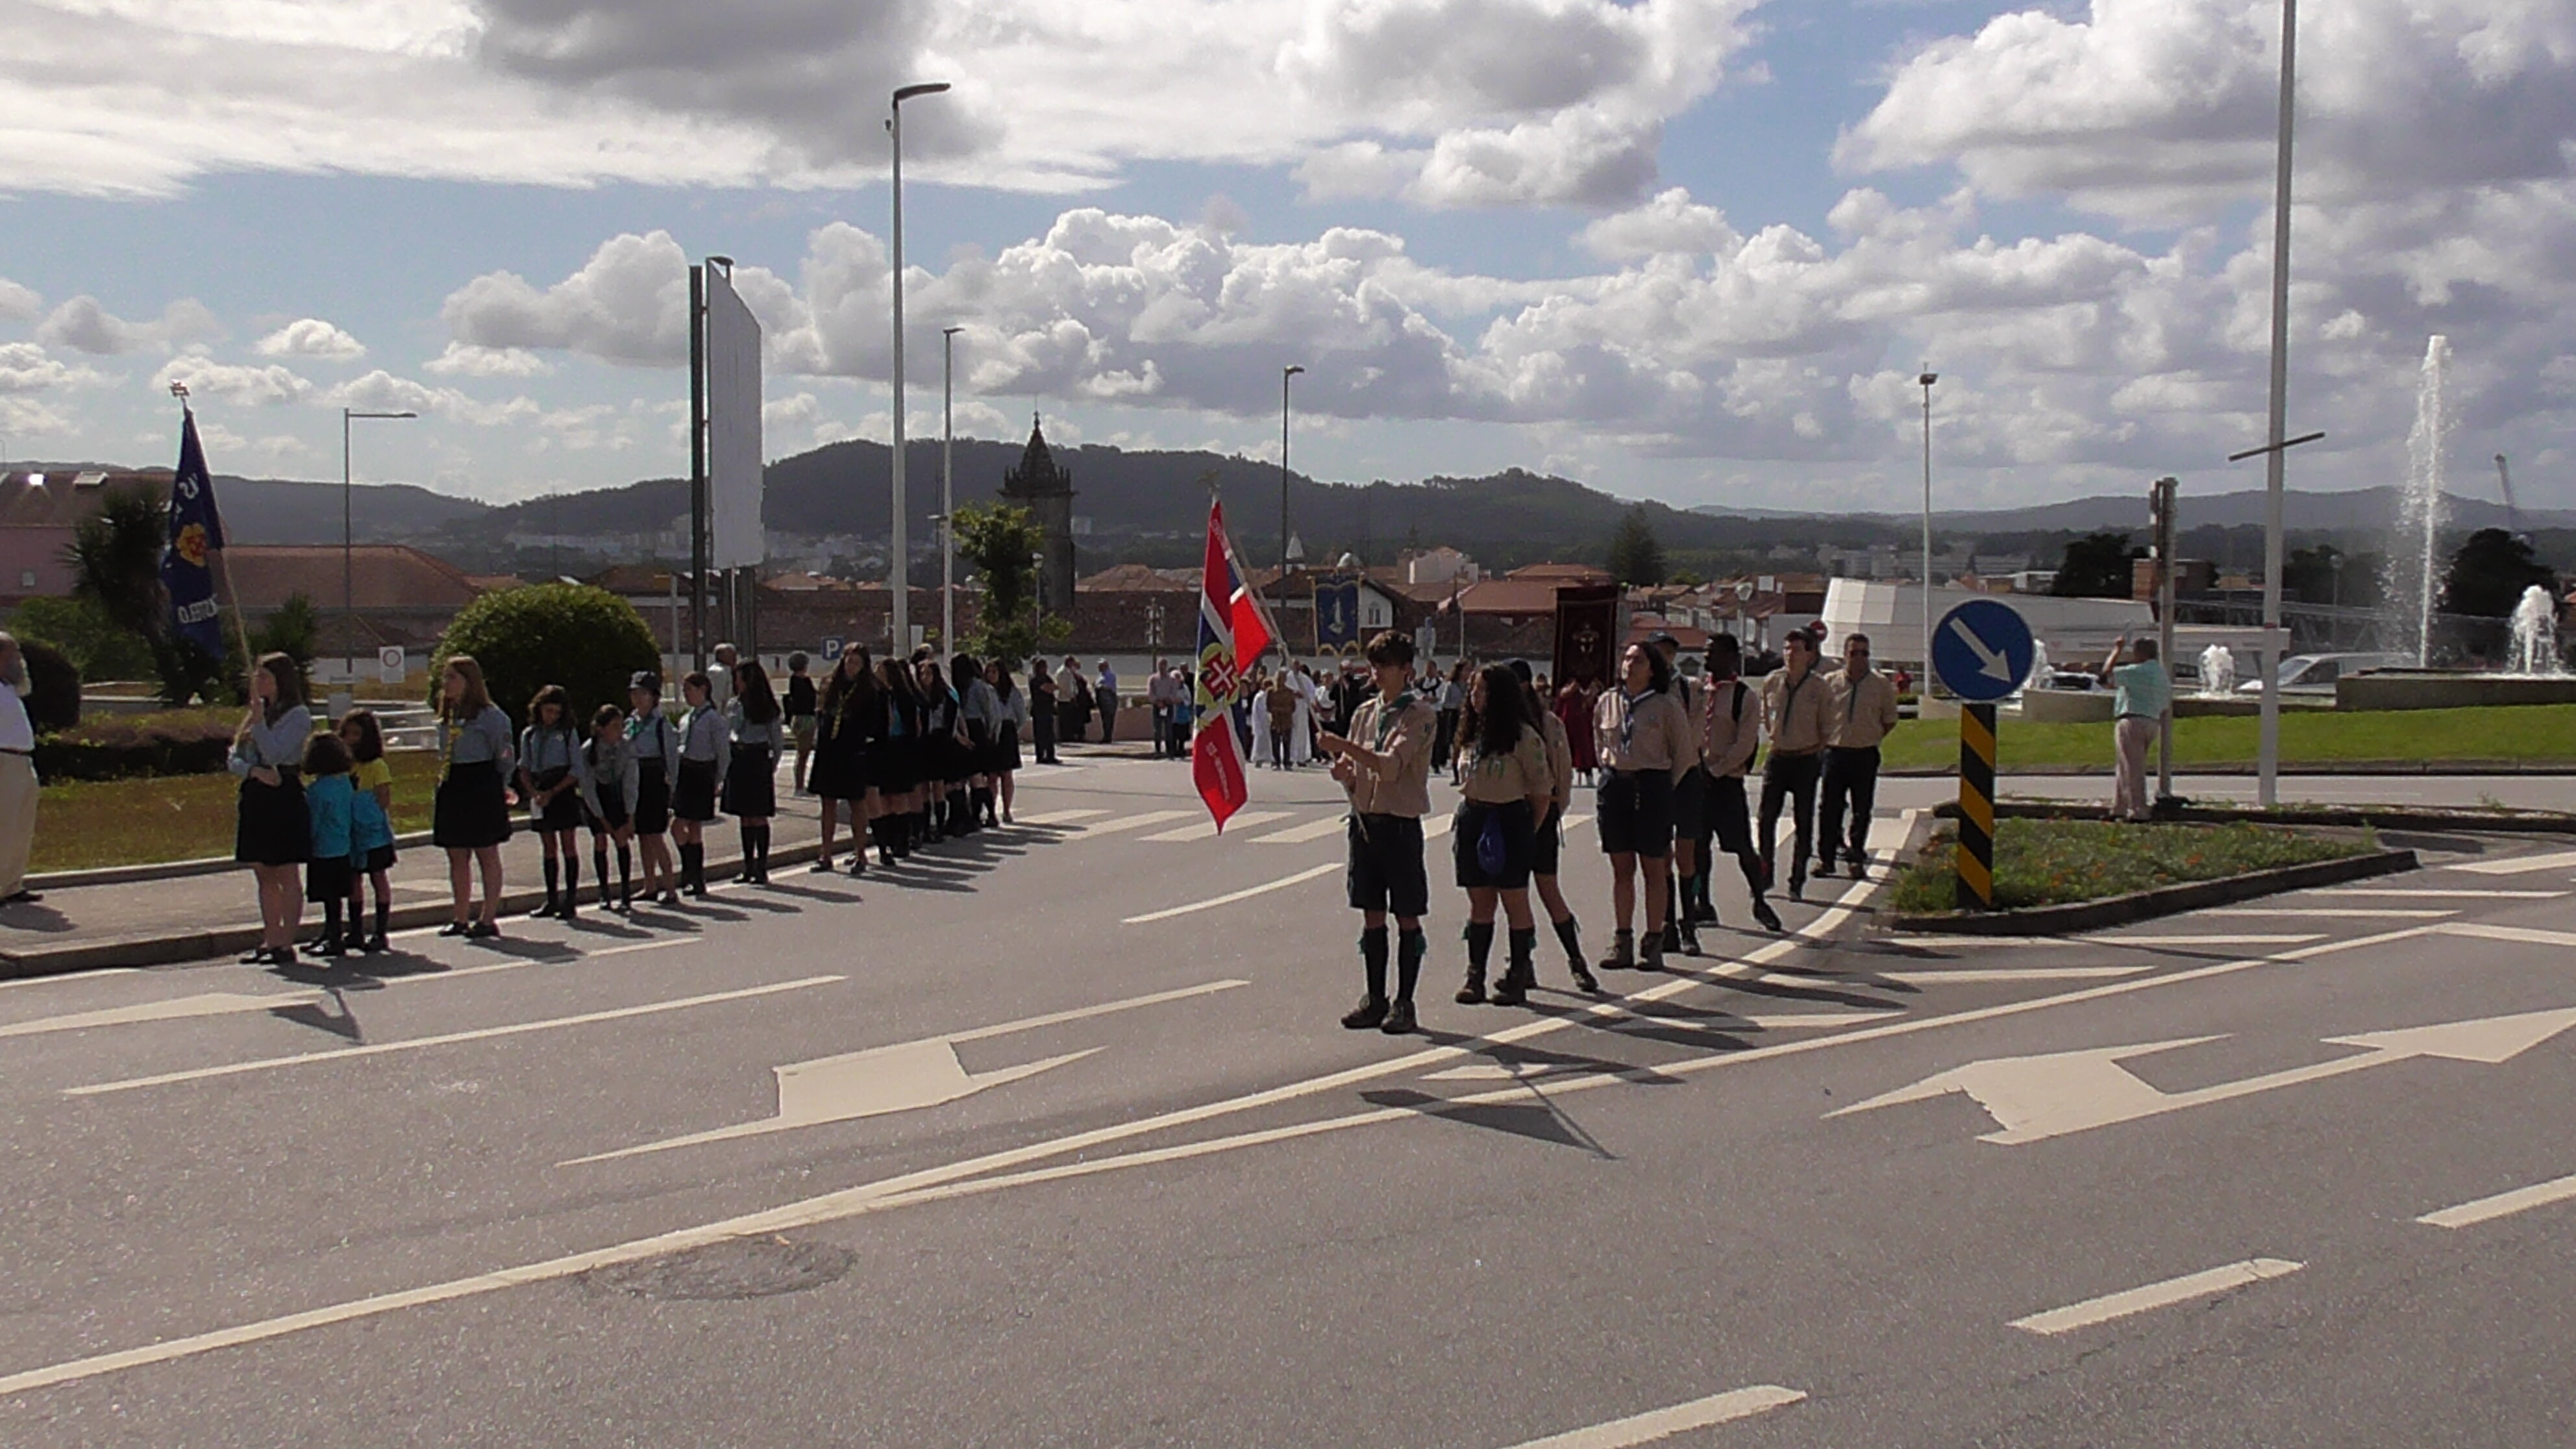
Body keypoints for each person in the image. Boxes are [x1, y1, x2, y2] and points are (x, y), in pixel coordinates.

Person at [1318, 630, 1437, 1035]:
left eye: (1385, 666)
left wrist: (1345, 747)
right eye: (1374, 665)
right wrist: (1344, 773)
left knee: (1406, 914)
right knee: (1371, 913)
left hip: (1400, 824)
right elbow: (1358, 775)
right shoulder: (1365, 713)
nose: (1377, 673)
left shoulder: (1419, 715)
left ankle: (1405, 1001)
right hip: (1366, 821)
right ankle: (1375, 997)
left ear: (1406, 670)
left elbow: (1390, 765)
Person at [1450, 663, 1555, 1008]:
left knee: (1514, 900)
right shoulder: (1471, 734)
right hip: (1473, 816)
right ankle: (1475, 975)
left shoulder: (1524, 737)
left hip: (1509, 817)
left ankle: (1518, 974)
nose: (1474, 696)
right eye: (1473, 690)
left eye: (1482, 690)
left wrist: (1526, 831)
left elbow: (1542, 791)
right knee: (1480, 902)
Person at [1593, 642, 1692, 971]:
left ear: (1652, 669)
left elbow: (1683, 755)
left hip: (1652, 785)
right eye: (1627, 658)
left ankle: (1654, 941)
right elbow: (1600, 744)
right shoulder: (1608, 701)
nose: (1629, 664)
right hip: (1615, 785)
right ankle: (1622, 940)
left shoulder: (1666, 705)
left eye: (1638, 660)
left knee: (1654, 866)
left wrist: (1661, 788)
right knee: (1621, 867)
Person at [1513, 661, 1597, 993]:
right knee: (1515, 896)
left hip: (1540, 811)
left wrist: (1552, 812)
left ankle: (1577, 960)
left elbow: (1562, 773)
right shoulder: (1502, 721)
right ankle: (1522, 963)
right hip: (1509, 812)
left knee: (1548, 890)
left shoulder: (1548, 723)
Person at [1696, 634, 1782, 933]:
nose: (1706, 658)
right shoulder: (1698, 692)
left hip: (1726, 784)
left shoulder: (1744, 697)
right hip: (1698, 782)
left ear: (1731, 657)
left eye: (1713, 652)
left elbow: (1745, 744)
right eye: (1705, 652)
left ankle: (1759, 898)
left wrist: (1717, 771)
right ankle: (1703, 903)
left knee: (1742, 846)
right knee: (1698, 848)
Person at [232, 652, 312, 964]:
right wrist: (251, 771)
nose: (258, 682)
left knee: (286, 870)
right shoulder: (257, 713)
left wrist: (260, 723)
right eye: (257, 676)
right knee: (262, 870)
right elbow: (234, 756)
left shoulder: (298, 716)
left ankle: (286, 942)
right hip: (256, 793)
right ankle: (271, 937)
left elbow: (276, 752)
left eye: (264, 677)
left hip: (283, 794)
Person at [434, 655, 514, 939]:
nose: (446, 684)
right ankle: (460, 916)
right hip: (454, 783)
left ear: (469, 682)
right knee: (456, 854)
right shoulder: (448, 716)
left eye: (452, 678)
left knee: (486, 852)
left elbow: (504, 755)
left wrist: (501, 785)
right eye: (445, 677)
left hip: (481, 783)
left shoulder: (491, 717)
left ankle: (488, 917)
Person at [1757, 628, 1833, 903]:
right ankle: (1765, 873)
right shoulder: (1772, 682)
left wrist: (1813, 749)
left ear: (1809, 654)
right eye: (1787, 648)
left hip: (1805, 758)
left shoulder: (1819, 687)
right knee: (1766, 819)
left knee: (1804, 820)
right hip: (1778, 756)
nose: (1790, 654)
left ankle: (1797, 879)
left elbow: (1827, 727)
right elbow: (1767, 718)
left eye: (1797, 649)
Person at [1818, 632, 1901, 878]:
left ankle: (1856, 858)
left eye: (1864, 653)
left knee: (1861, 809)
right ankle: (1826, 859)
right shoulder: (1830, 682)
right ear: (1845, 655)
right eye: (1854, 653)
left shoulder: (1880, 684)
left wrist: (1872, 735)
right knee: (1829, 809)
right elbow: (1819, 716)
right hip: (1835, 753)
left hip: (1865, 754)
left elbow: (1889, 719)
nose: (1859, 658)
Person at [1649, 632, 1709, 956]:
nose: (1663, 658)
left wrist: (1676, 770)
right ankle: (1667, 923)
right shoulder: (1644, 691)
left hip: (1686, 775)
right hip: (1655, 777)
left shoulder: (1690, 688)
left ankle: (1689, 924)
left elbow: (1694, 735)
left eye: (1667, 652)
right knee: (1660, 857)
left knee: (1687, 855)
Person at [518, 684, 589, 920]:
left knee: (568, 843)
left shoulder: (567, 733)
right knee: (548, 846)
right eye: (548, 711)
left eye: (557, 712)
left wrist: (554, 791)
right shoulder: (530, 734)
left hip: (562, 788)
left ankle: (570, 900)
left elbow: (576, 768)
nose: (552, 717)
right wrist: (533, 792)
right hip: (540, 787)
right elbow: (524, 767)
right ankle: (551, 899)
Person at [809, 645, 877, 874]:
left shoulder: (869, 690)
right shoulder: (831, 685)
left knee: (857, 803)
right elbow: (821, 712)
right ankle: (825, 854)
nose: (851, 666)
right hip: (829, 751)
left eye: (857, 663)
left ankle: (860, 853)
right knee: (827, 803)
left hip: (853, 751)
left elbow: (874, 724)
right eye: (849, 661)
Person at [339, 708, 397, 952]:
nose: (350, 739)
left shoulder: (376, 766)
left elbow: (384, 798)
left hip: (373, 834)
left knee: (378, 877)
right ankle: (356, 930)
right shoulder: (345, 767)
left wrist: (366, 811)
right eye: (346, 734)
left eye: (356, 734)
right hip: (351, 833)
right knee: (354, 880)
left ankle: (380, 932)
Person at [2099, 636, 2172, 823]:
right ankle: (2119, 807)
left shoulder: (2137, 671)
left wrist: (2117, 650)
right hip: (2152, 720)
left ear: (2140, 653)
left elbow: (2105, 677)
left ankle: (2139, 811)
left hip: (2132, 719)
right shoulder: (2161, 674)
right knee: (2126, 765)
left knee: (2132, 768)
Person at [725, 660, 784, 884]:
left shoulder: (767, 707)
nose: (737, 684)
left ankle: (762, 866)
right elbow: (730, 731)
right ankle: (748, 865)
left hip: (757, 757)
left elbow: (777, 741)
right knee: (745, 816)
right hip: (739, 757)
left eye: (740, 679)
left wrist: (772, 765)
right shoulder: (735, 704)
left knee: (758, 815)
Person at [670, 671, 728, 897]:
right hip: (686, 771)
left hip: (703, 771)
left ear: (703, 689)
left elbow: (723, 753)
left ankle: (695, 877)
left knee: (694, 826)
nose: (686, 695)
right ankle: (690, 869)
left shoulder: (714, 719)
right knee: (678, 826)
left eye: (689, 690)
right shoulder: (687, 718)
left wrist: (719, 779)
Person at [626, 672, 682, 906]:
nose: (638, 698)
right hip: (634, 779)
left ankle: (670, 888)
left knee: (655, 836)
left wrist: (674, 792)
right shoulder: (630, 723)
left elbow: (672, 761)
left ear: (654, 697)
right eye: (634, 693)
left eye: (644, 693)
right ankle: (649, 885)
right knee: (642, 836)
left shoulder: (661, 725)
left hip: (654, 779)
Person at [301, 731, 358, 957]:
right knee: (337, 895)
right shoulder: (345, 783)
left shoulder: (317, 790)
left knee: (328, 896)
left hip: (324, 849)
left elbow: (314, 821)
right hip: (343, 846)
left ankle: (334, 937)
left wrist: (308, 842)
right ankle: (331, 933)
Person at [579, 704, 639, 912]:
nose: (619, 731)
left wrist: (630, 815)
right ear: (601, 729)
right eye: (614, 727)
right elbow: (587, 787)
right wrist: (601, 818)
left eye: (621, 726)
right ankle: (604, 893)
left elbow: (631, 782)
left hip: (617, 793)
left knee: (621, 838)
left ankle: (625, 893)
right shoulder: (588, 750)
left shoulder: (627, 747)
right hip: (597, 796)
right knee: (600, 840)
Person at [0, 633, 40, 906]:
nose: (19, 660)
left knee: (21, 826)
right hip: (4, 760)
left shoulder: (8, 688)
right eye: (14, 654)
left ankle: (11, 885)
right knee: (5, 824)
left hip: (22, 760)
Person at [956, 652, 1002, 829]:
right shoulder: (972, 687)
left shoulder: (973, 687)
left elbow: (990, 712)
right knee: (977, 777)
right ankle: (982, 814)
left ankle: (981, 814)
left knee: (975, 777)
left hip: (971, 728)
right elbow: (991, 713)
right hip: (973, 728)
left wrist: (990, 732)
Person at [988, 659, 1026, 824]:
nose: (991, 676)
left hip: (1007, 731)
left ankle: (1006, 810)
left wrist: (1013, 731)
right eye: (988, 672)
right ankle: (991, 812)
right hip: (991, 732)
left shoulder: (1011, 692)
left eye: (994, 672)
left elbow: (1022, 716)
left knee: (1006, 774)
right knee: (991, 775)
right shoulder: (985, 691)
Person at [784, 651, 819, 794]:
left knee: (802, 753)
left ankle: (800, 783)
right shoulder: (803, 681)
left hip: (799, 718)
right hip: (805, 718)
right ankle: (799, 786)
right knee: (803, 753)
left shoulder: (793, 680)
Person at [1555, 680, 1597, 787]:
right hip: (1567, 725)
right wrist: (1574, 685)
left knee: (1584, 753)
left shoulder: (1581, 694)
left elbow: (1589, 703)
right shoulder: (1565, 690)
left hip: (1581, 726)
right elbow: (1564, 694)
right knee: (1565, 753)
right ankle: (1565, 778)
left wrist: (1593, 692)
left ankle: (1589, 777)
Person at [1433, 661, 1467, 780]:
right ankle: (1456, 774)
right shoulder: (1451, 686)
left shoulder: (1470, 685)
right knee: (1456, 744)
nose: (1468, 672)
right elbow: (1445, 703)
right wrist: (1457, 706)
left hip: (1466, 716)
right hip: (1454, 716)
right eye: (1466, 670)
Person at [1028, 657, 1060, 765]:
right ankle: (1040, 756)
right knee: (1040, 735)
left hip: (1048, 709)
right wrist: (1050, 688)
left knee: (1050, 734)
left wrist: (1050, 687)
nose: (1045, 669)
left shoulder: (1047, 678)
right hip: (1039, 710)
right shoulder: (1035, 679)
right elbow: (1046, 688)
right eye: (1043, 667)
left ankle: (1051, 756)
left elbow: (1055, 687)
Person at [1265, 670, 1299, 769]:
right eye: (1278, 678)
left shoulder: (1289, 692)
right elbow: (1268, 707)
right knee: (1275, 742)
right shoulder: (1271, 692)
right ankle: (1276, 762)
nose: (1280, 681)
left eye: (1282, 678)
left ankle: (1287, 762)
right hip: (1275, 720)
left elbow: (1293, 708)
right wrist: (1276, 710)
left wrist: (1283, 710)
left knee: (1287, 742)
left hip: (1286, 721)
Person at [1147, 658, 1178, 758]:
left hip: (1168, 705)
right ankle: (1158, 751)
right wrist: (1157, 701)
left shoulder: (1172, 679)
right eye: (1160, 665)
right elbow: (1150, 692)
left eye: (1164, 665)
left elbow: (1174, 692)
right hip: (1157, 706)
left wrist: (1168, 700)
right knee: (1157, 729)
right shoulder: (1153, 679)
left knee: (1169, 728)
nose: (1162, 667)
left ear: (1166, 666)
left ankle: (1170, 751)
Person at [1059, 654, 1091, 744]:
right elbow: (1066, 687)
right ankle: (1067, 737)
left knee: (1073, 720)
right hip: (1066, 699)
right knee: (1066, 720)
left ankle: (1073, 736)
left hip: (1074, 699)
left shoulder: (1071, 673)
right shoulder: (1064, 672)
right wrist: (1072, 697)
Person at [1095, 659, 1120, 744]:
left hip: (1109, 700)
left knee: (1109, 719)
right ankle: (1106, 736)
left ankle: (1108, 737)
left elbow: (1109, 687)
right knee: (1105, 719)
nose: (1098, 668)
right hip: (1102, 700)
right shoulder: (1101, 676)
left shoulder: (1110, 675)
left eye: (1100, 666)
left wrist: (1099, 686)